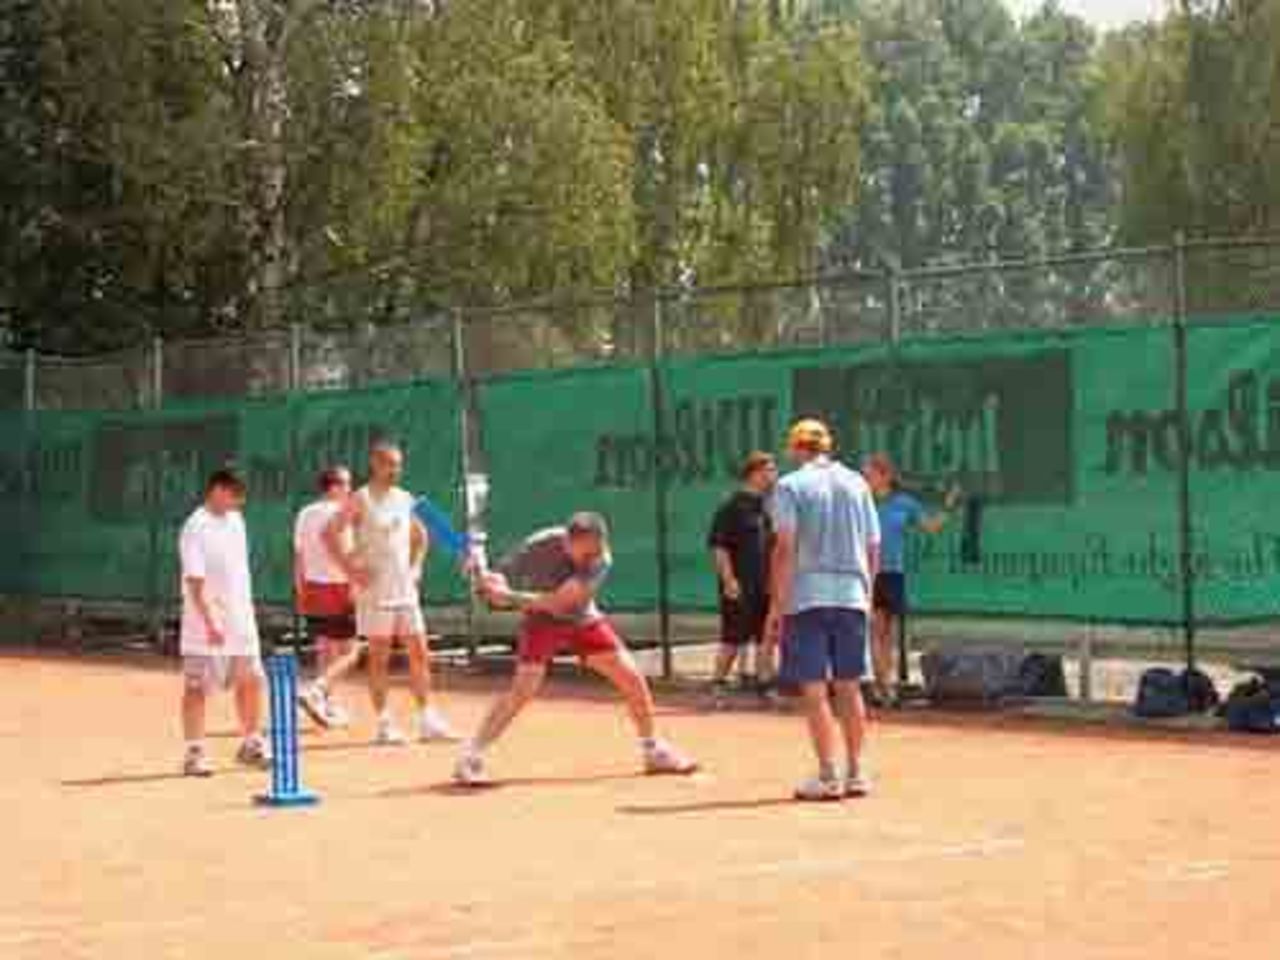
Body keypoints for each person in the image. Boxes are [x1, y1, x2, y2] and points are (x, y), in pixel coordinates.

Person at [453, 512, 698, 786]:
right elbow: (502, 578)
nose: (592, 557)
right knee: (522, 691)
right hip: (541, 623)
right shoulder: (540, 544)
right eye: (586, 551)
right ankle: (470, 756)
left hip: (581, 619)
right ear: (568, 541)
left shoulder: (601, 559)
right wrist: (485, 583)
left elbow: (560, 603)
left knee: (631, 677)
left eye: (597, 550)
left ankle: (653, 750)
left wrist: (508, 597)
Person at [766, 419, 880, 802]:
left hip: (806, 596)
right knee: (849, 686)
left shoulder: (789, 486)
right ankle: (857, 773)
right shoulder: (858, 484)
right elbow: (872, 546)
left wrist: (778, 603)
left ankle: (828, 775)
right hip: (852, 596)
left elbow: (784, 546)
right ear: (826, 446)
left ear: (797, 448)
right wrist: (866, 592)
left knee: (813, 689)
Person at [325, 440, 456, 745]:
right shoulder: (360, 499)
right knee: (379, 657)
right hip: (374, 593)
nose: (395, 470)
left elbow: (421, 536)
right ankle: (384, 724)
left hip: (405, 591)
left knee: (420, 652)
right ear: (375, 464)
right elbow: (329, 533)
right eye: (389, 464)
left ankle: (427, 720)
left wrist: (417, 568)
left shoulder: (405, 498)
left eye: (398, 464)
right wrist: (351, 571)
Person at [179, 468, 270, 777]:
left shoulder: (236, 521)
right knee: (198, 688)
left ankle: (251, 744)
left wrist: (243, 613)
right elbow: (194, 580)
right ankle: (194, 752)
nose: (240, 503)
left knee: (253, 680)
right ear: (218, 490)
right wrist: (209, 622)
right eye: (236, 495)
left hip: (241, 621)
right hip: (205, 624)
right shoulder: (195, 526)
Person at [861, 453, 959, 706]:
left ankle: (887, 688)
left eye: (869, 474)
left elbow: (931, 527)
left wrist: (948, 506)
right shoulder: (860, 502)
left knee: (887, 635)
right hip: (867, 573)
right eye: (865, 475)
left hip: (893, 575)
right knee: (875, 630)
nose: (866, 479)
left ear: (885, 476)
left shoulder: (905, 503)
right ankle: (883, 688)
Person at [706, 451, 778, 707]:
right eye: (770, 471)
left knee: (765, 637)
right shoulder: (732, 506)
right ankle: (718, 687)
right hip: (739, 584)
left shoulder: (768, 507)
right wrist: (729, 580)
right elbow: (719, 546)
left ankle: (765, 688)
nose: (774, 476)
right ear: (755, 474)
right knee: (733, 638)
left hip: (765, 585)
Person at [294, 465, 364, 729]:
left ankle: (326, 704)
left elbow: (299, 556)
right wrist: (355, 585)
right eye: (346, 484)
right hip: (340, 587)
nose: (350, 489)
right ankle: (317, 690)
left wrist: (301, 589)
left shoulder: (304, 514)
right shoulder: (340, 514)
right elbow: (348, 552)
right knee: (352, 652)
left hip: (313, 586)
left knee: (326, 648)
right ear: (334, 487)